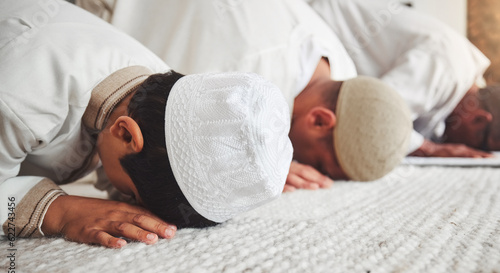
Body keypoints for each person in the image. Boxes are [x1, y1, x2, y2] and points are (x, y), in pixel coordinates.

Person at [0, 0, 293, 248]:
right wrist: (58, 211)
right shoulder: (21, 102)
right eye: (130, 194)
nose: (125, 202)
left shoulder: (154, 88)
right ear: (126, 133)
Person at [98, 0, 413, 192]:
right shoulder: (239, 77)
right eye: (319, 164)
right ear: (319, 120)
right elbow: (148, 140)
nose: (310, 171)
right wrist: (260, 160)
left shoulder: (341, 69)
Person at [304, 0, 500, 157]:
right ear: (478, 120)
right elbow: (373, 112)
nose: (469, 150)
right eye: (480, 145)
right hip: (309, 31)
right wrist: (430, 149)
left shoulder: (455, 85)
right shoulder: (446, 67)